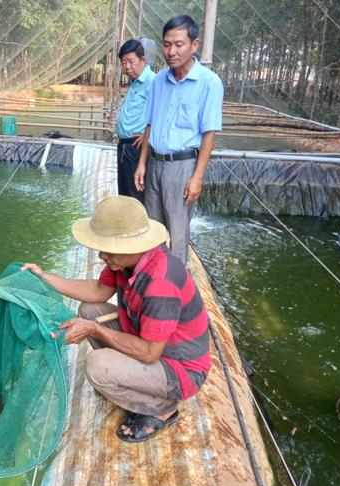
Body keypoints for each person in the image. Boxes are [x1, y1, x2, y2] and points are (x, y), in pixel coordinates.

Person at [22, 196, 211, 443]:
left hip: (180, 369)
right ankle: (126, 379)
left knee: (97, 366)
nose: (101, 255)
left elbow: (149, 353)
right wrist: (44, 277)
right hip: (151, 344)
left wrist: (93, 329)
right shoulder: (125, 263)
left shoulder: (160, 282)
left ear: (131, 246)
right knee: (90, 309)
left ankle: (161, 409)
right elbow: (98, 292)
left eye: (107, 247)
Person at [133, 15, 224, 264]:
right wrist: (142, 163)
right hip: (155, 163)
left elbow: (209, 134)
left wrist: (197, 177)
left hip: (182, 167)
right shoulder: (159, 81)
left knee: (178, 234)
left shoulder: (209, 83)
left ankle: (176, 292)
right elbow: (150, 124)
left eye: (179, 44)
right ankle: (152, 284)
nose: (171, 51)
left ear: (194, 45)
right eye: (166, 44)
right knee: (153, 230)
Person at [115, 39, 156, 203]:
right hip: (125, 147)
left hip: (137, 148)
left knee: (135, 197)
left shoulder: (152, 82)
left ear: (143, 60)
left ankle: (139, 228)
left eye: (131, 62)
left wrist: (148, 137)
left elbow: (162, 113)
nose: (127, 67)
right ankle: (126, 228)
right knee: (125, 195)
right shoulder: (134, 83)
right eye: (124, 62)